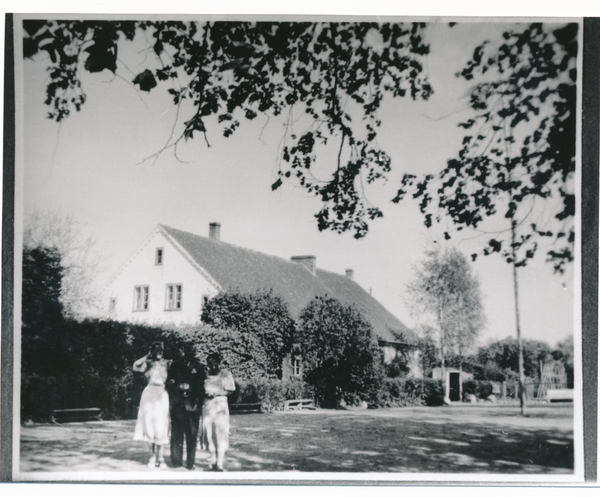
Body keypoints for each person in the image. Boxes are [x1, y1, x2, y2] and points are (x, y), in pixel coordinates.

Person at [166, 342, 206, 470]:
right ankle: (176, 462)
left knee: (192, 434)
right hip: (178, 405)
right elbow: (169, 383)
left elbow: (202, 385)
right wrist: (178, 386)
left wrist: (191, 388)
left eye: (193, 350)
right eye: (188, 350)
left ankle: (190, 463)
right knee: (177, 434)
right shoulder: (175, 365)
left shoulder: (199, 366)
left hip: (193, 405)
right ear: (184, 351)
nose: (191, 352)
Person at [133, 341, 171, 469]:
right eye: (157, 350)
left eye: (162, 350)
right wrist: (147, 355)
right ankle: (152, 456)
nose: (160, 352)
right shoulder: (147, 363)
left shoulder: (168, 363)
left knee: (161, 425)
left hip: (162, 393)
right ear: (152, 351)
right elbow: (135, 366)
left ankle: (161, 458)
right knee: (149, 424)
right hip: (149, 393)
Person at [201, 352, 235, 471]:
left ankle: (220, 463)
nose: (212, 364)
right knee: (208, 432)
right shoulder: (205, 375)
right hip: (207, 406)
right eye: (210, 362)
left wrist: (216, 393)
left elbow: (230, 390)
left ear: (219, 362)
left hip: (220, 405)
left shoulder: (225, 374)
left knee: (220, 432)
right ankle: (212, 462)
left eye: (215, 361)